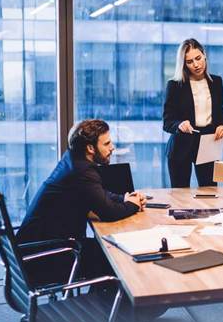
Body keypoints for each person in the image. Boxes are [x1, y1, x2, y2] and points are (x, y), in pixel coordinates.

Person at [17, 119, 146, 285]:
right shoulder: (82, 171)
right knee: (117, 256)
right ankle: (110, 306)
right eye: (106, 144)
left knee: (111, 251)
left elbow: (97, 194)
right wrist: (133, 205)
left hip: (36, 249)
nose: (112, 147)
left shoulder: (72, 161)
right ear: (90, 148)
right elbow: (109, 213)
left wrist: (124, 199)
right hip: (48, 258)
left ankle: (105, 305)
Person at [163, 38, 223, 188]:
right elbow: (167, 121)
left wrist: (222, 126)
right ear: (184, 64)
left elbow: (219, 114)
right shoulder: (174, 85)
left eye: (198, 58)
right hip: (181, 145)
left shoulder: (216, 82)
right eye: (189, 61)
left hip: (208, 143)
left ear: (204, 55)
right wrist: (179, 124)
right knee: (180, 195)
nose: (196, 64)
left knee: (210, 193)